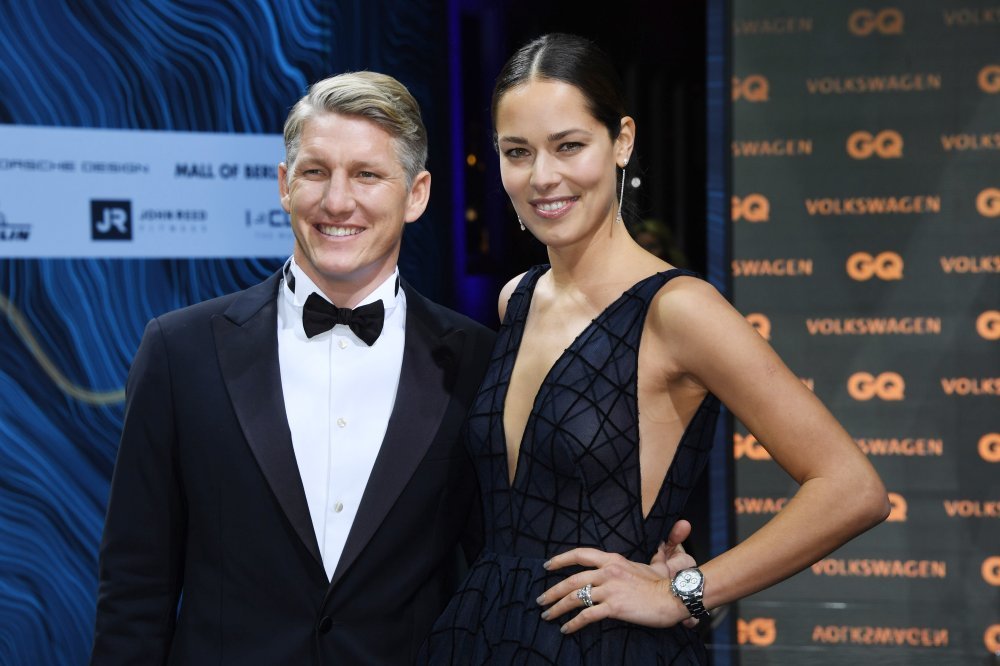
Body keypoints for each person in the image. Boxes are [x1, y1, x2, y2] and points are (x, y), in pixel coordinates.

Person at [419, 33, 889, 664]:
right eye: (517, 152)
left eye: (569, 146)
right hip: (480, 637)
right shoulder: (517, 299)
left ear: (622, 141)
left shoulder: (678, 309)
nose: (543, 176)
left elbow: (852, 489)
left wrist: (684, 592)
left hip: (606, 647)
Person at [89, 71, 500, 665]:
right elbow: (134, 590)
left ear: (417, 194)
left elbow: (496, 570)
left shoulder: (476, 360)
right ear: (285, 185)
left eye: (367, 174)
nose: (337, 201)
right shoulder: (180, 352)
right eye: (315, 172)